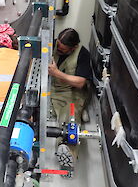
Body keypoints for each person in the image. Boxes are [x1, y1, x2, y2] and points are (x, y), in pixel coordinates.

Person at [48, 28, 93, 177]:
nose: (58, 49)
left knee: (68, 117)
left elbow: (80, 82)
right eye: (58, 46)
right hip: (51, 90)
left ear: (73, 48)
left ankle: (67, 152)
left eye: (63, 49)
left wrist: (56, 73)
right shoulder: (52, 45)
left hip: (71, 93)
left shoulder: (82, 54)